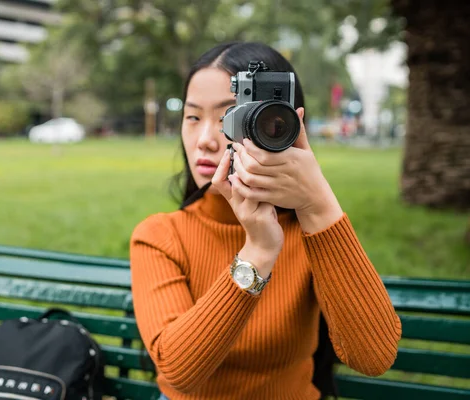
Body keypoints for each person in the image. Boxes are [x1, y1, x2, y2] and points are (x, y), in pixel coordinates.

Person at [130, 41, 401, 400]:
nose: (206, 140)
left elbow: (373, 356)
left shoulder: (312, 232)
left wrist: (318, 204)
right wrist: (257, 251)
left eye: (229, 116)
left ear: (279, 124)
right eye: (193, 117)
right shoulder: (161, 235)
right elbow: (178, 370)